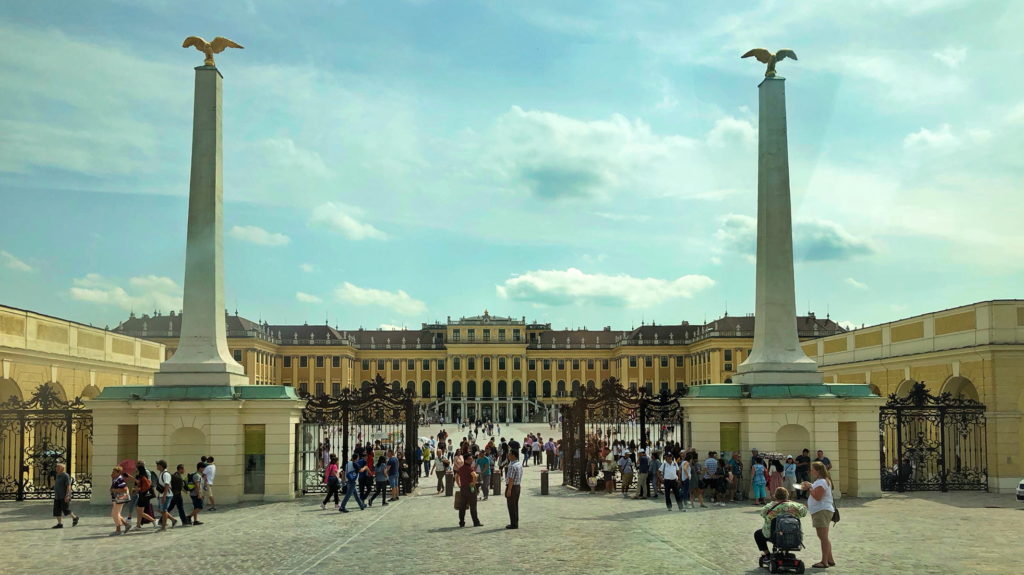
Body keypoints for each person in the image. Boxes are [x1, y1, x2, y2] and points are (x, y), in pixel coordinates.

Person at [754, 487, 807, 559]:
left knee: (758, 534)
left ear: (775, 496)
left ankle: (767, 554)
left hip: (773, 535)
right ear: (787, 496)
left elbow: (762, 514)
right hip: (792, 535)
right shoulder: (796, 506)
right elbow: (804, 511)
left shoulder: (770, 506)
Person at [801, 461, 836, 569]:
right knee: (824, 537)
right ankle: (830, 559)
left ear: (818, 470)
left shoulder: (821, 482)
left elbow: (817, 497)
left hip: (822, 511)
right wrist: (810, 486)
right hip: (820, 510)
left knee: (823, 537)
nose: (811, 471)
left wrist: (809, 488)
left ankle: (824, 561)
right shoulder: (821, 481)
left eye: (813, 469)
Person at [455, 451, 482, 527]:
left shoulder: (461, 468)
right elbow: (475, 476)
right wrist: (473, 483)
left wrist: (459, 484)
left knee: (462, 506)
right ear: (466, 460)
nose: (471, 460)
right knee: (473, 506)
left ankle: (461, 522)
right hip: (471, 488)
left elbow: (456, 476)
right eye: (470, 459)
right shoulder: (470, 468)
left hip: (463, 488)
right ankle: (476, 522)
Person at [51, 463, 79, 528]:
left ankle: (75, 517)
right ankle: (59, 524)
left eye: (58, 467)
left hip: (64, 496)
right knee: (56, 510)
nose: (56, 469)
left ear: (62, 469)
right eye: (56, 467)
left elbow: (68, 486)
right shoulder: (57, 475)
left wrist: (68, 495)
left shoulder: (65, 475)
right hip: (57, 496)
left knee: (66, 509)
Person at [134, 461, 157, 528]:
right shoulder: (142, 477)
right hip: (142, 495)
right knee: (139, 511)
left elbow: (144, 487)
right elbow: (139, 483)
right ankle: (138, 525)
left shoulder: (143, 478)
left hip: (143, 495)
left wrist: (136, 489)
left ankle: (153, 520)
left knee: (140, 512)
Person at [155, 460, 176, 530]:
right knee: (161, 510)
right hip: (162, 495)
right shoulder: (162, 473)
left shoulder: (166, 474)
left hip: (166, 495)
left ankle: (164, 527)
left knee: (164, 511)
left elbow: (167, 485)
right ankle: (173, 520)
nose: (156, 466)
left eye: (157, 465)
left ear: (161, 466)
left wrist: (164, 496)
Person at [109, 466, 131, 535]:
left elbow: (124, 489)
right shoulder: (115, 479)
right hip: (115, 499)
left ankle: (118, 530)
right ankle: (126, 525)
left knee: (114, 514)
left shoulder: (120, 479)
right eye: (112, 472)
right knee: (117, 514)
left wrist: (114, 490)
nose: (112, 473)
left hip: (119, 498)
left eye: (114, 472)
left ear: (118, 473)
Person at [504, 450, 522, 529]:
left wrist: (509, 490)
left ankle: (513, 523)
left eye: (510, 454)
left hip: (512, 486)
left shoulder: (512, 466)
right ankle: (515, 521)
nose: (508, 456)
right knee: (515, 505)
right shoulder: (519, 464)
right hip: (517, 486)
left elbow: (511, 479)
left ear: (514, 456)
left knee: (511, 505)